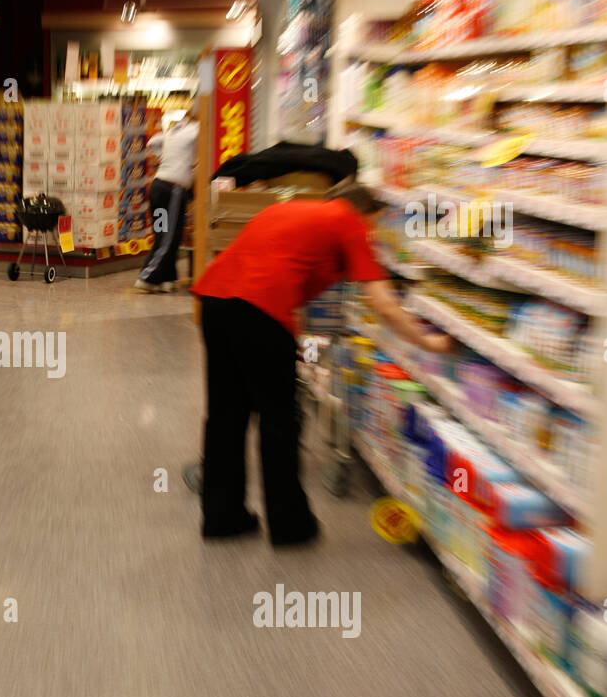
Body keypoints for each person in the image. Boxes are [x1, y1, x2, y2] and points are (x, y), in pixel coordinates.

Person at [191, 182, 452, 546]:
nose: (372, 236)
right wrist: (429, 342)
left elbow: (293, 285)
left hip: (214, 301)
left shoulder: (294, 210)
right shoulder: (350, 222)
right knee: (279, 420)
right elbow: (384, 303)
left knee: (225, 416)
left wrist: (303, 352)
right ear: (366, 213)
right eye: (374, 227)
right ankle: (290, 527)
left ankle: (222, 518)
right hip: (261, 312)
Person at [135, 115, 199, 293]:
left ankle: (166, 278)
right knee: (170, 237)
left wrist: (162, 157)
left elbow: (153, 141)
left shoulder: (173, 131)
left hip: (158, 186)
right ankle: (147, 277)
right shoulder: (195, 130)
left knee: (162, 233)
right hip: (173, 190)